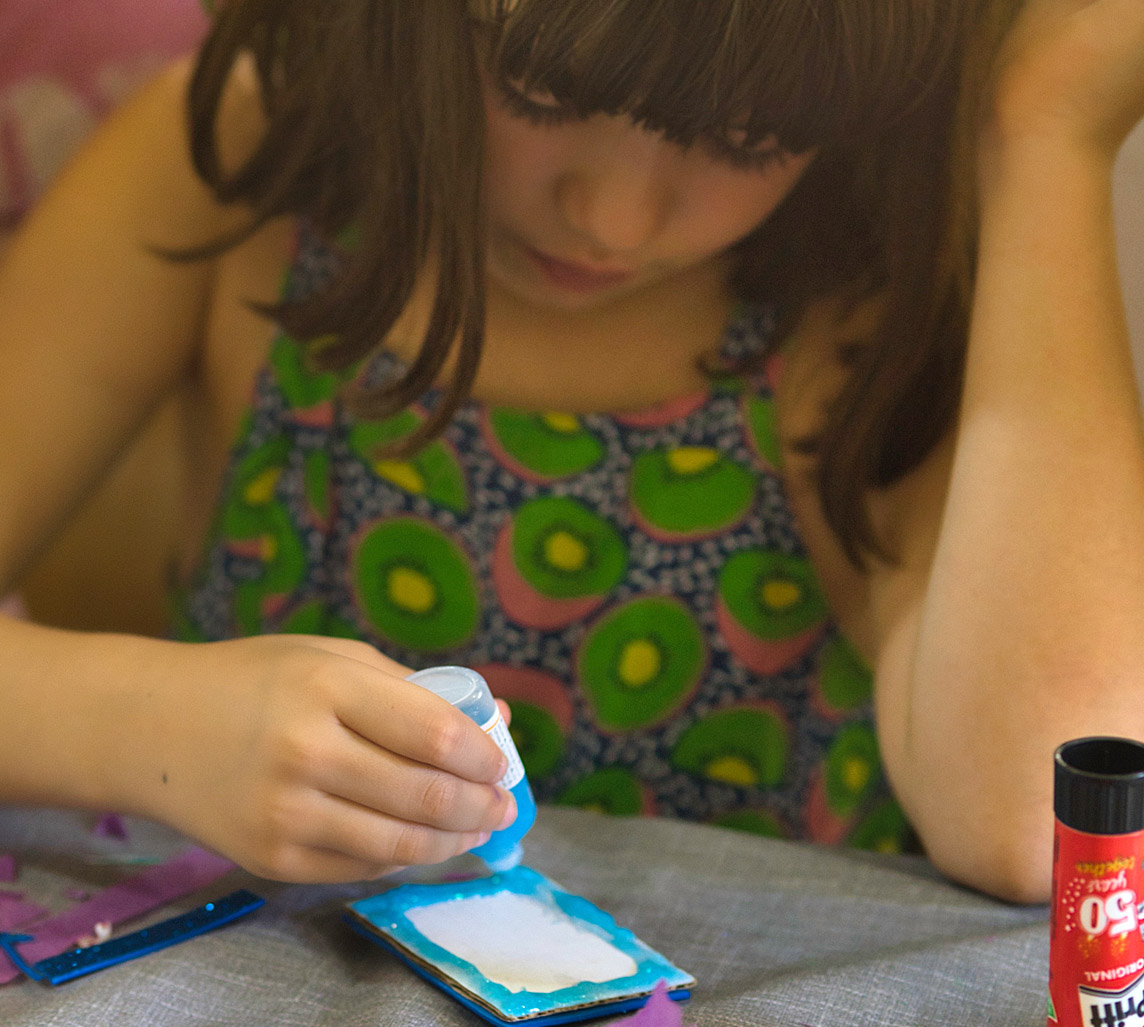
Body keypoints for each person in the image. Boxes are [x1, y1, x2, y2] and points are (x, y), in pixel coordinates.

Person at [0, 0, 1141, 902]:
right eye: (539, 87)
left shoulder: (881, 287)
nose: (615, 218)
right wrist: (143, 724)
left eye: (750, 138)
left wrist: (1045, 131)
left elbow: (1040, 833)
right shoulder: (244, 165)